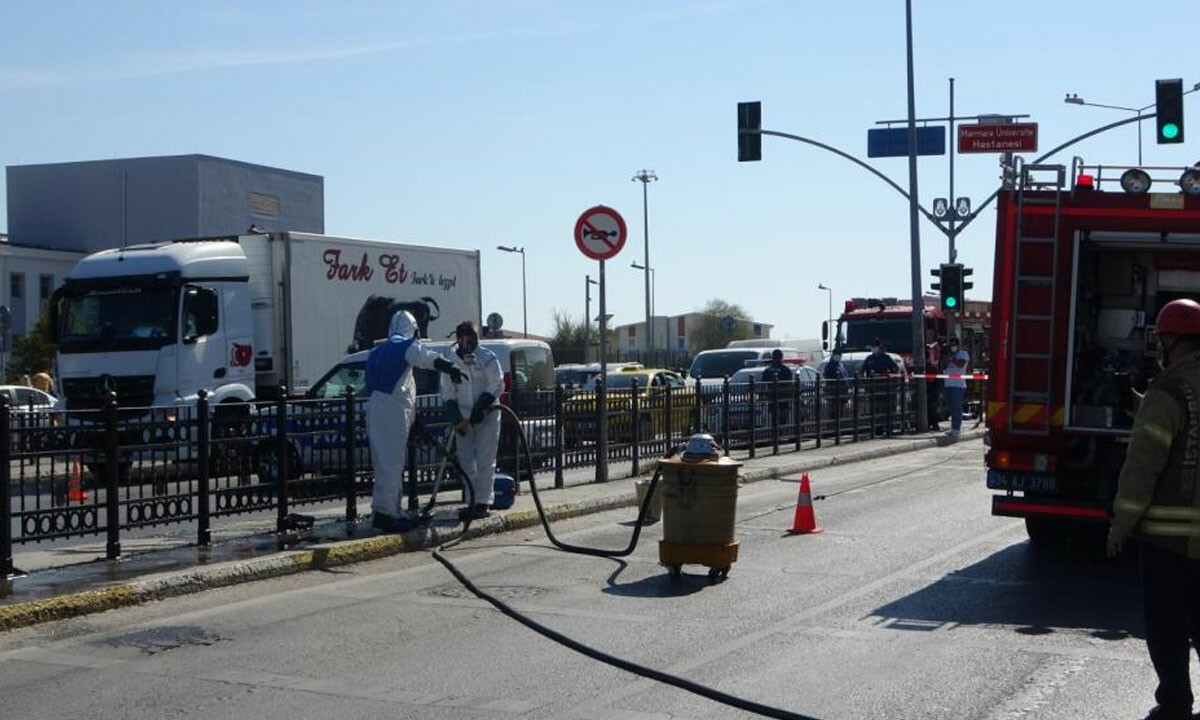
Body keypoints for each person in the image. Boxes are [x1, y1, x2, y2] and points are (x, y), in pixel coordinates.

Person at [1107, 299, 1200, 720]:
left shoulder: (1168, 392)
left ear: (1175, 340)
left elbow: (1143, 469)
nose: (1160, 344)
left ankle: (1176, 703)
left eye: (1162, 337)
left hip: (1169, 542)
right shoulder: (1169, 393)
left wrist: (1120, 527)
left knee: (1167, 626)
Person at [366, 310, 465, 533]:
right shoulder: (405, 346)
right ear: (413, 329)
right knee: (391, 464)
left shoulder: (377, 351)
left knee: (386, 463)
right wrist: (450, 367)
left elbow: (404, 386)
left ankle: (392, 510)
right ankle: (384, 513)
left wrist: (413, 417)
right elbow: (426, 357)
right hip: (391, 411)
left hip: (376, 407)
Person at [442, 321, 504, 521]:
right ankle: (471, 501)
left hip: (487, 415)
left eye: (471, 338)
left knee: (486, 459)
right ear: (458, 339)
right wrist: (455, 417)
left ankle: (483, 503)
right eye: (463, 338)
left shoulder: (488, 358)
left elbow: (497, 383)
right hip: (463, 418)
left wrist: (483, 405)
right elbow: (447, 391)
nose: (467, 343)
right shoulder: (451, 362)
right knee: (466, 461)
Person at [943, 336, 970, 437]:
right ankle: (953, 428)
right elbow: (943, 366)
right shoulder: (947, 355)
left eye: (954, 344)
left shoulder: (963, 354)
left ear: (958, 345)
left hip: (958, 385)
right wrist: (945, 358)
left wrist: (951, 358)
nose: (952, 347)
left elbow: (960, 365)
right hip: (947, 384)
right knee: (950, 408)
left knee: (956, 407)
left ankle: (956, 428)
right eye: (951, 345)